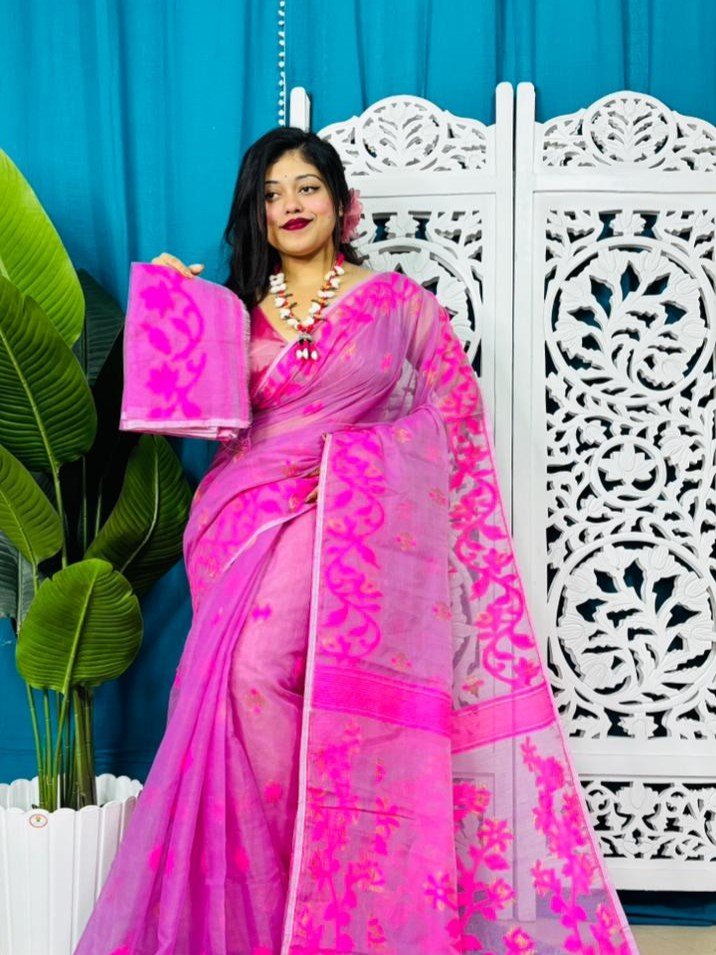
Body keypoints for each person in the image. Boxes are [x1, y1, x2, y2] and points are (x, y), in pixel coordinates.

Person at [76, 128, 638, 954]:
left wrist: (359, 472)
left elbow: (452, 421)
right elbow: (190, 421)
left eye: (306, 187)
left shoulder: (399, 305)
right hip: (242, 520)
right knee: (240, 686)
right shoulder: (235, 311)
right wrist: (174, 309)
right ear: (256, 215)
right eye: (271, 194)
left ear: (342, 203)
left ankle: (328, 881)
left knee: (275, 679)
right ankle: (275, 892)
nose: (290, 205)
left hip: (346, 521)